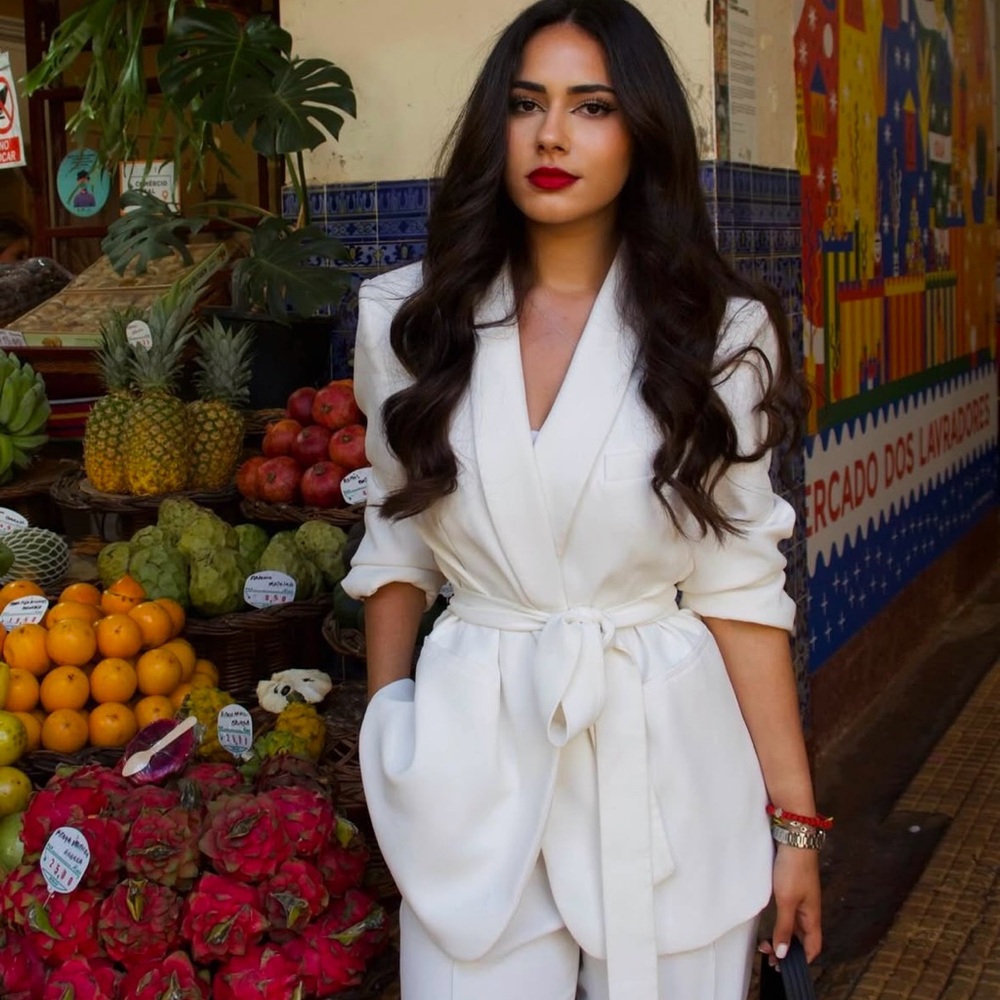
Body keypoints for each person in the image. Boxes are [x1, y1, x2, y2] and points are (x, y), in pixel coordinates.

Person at [340, 2, 823, 997]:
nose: (552, 135)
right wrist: (389, 728)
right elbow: (395, 541)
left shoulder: (719, 333)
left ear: (642, 132)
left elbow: (740, 583)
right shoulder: (408, 319)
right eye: (527, 104)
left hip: (665, 759)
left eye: (592, 106)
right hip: (470, 760)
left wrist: (794, 822)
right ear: (495, 126)